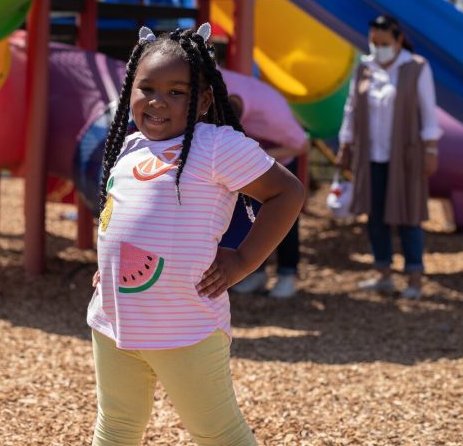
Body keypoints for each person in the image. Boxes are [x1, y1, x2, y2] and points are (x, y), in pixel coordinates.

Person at [87, 25, 305, 445]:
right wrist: (107, 266)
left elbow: (287, 193)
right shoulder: (128, 147)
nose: (157, 101)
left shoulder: (217, 145)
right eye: (146, 88)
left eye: (176, 92)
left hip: (185, 328)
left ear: (204, 101)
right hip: (112, 324)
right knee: (115, 428)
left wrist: (243, 260)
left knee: (218, 434)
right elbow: (117, 216)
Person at [336, 14, 441, 300]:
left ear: (397, 40)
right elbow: (350, 107)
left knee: (408, 215)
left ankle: (415, 276)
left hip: (405, 155)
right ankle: (383, 272)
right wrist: (345, 145)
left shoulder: (416, 68)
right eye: (373, 42)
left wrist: (431, 149)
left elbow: (428, 111)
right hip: (371, 154)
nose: (378, 47)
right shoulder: (364, 67)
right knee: (375, 216)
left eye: (384, 42)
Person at [219, 69, 310, 298]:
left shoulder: (273, 117)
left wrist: (261, 155)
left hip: (277, 159)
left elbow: (301, 145)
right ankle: (256, 273)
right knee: (249, 218)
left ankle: (287, 273)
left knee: (284, 218)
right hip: (249, 157)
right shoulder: (217, 83)